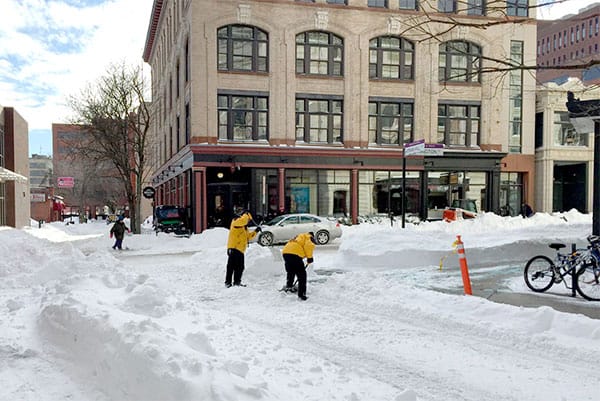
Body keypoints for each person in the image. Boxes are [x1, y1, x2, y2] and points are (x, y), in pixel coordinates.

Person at [225, 211, 261, 287]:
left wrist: (256, 231)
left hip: (240, 249)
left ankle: (235, 282)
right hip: (234, 248)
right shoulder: (236, 221)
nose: (248, 221)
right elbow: (243, 220)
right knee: (233, 267)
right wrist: (246, 214)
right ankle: (231, 282)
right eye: (248, 220)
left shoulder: (243, 227)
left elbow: (248, 237)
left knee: (238, 267)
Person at [281, 232, 316, 301]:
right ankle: (301, 295)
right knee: (302, 275)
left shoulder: (299, 237)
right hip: (294, 254)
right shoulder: (308, 237)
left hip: (285, 253)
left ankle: (289, 286)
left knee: (291, 271)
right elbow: (309, 246)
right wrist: (309, 258)